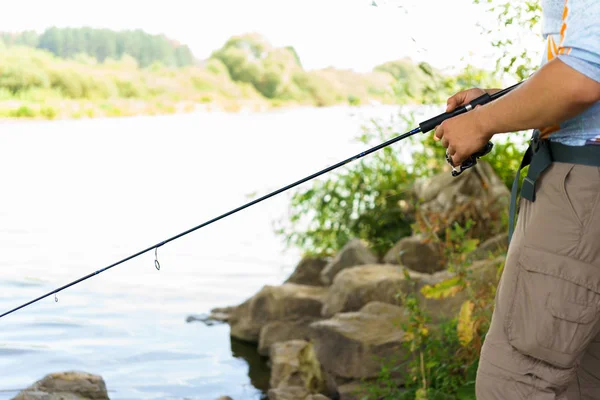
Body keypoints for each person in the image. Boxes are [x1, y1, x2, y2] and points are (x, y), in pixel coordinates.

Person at [433, 0, 600, 398]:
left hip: (580, 189)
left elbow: (582, 78)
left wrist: (480, 121)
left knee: (512, 384)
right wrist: (495, 101)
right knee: (584, 379)